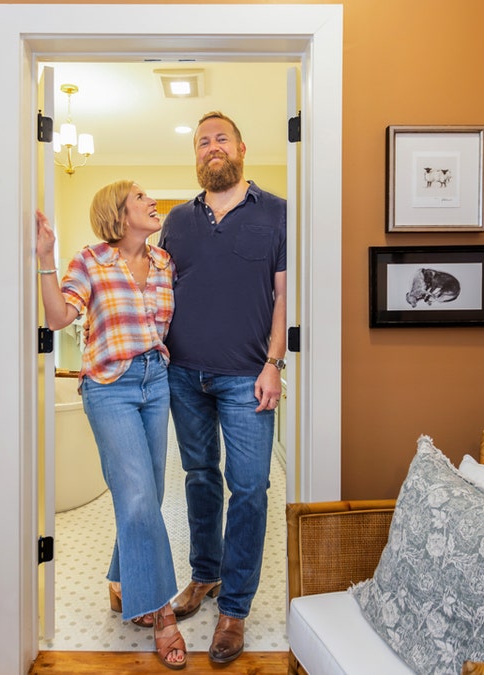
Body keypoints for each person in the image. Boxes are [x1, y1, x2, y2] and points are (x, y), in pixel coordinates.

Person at [36, 180, 187, 670]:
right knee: (139, 496)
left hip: (155, 380)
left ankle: (122, 582)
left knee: (149, 493)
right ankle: (162, 613)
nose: (152, 202)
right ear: (120, 215)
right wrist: (46, 257)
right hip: (110, 385)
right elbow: (59, 317)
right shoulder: (90, 260)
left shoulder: (164, 263)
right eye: (141, 197)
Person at [159, 112, 287, 664]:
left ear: (240, 147)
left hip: (247, 376)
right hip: (183, 373)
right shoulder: (177, 222)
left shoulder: (278, 213)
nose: (212, 147)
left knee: (251, 488)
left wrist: (274, 363)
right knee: (199, 477)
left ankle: (234, 607)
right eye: (202, 141)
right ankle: (204, 575)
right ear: (196, 155)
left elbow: (283, 296)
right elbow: (157, 290)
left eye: (220, 139)